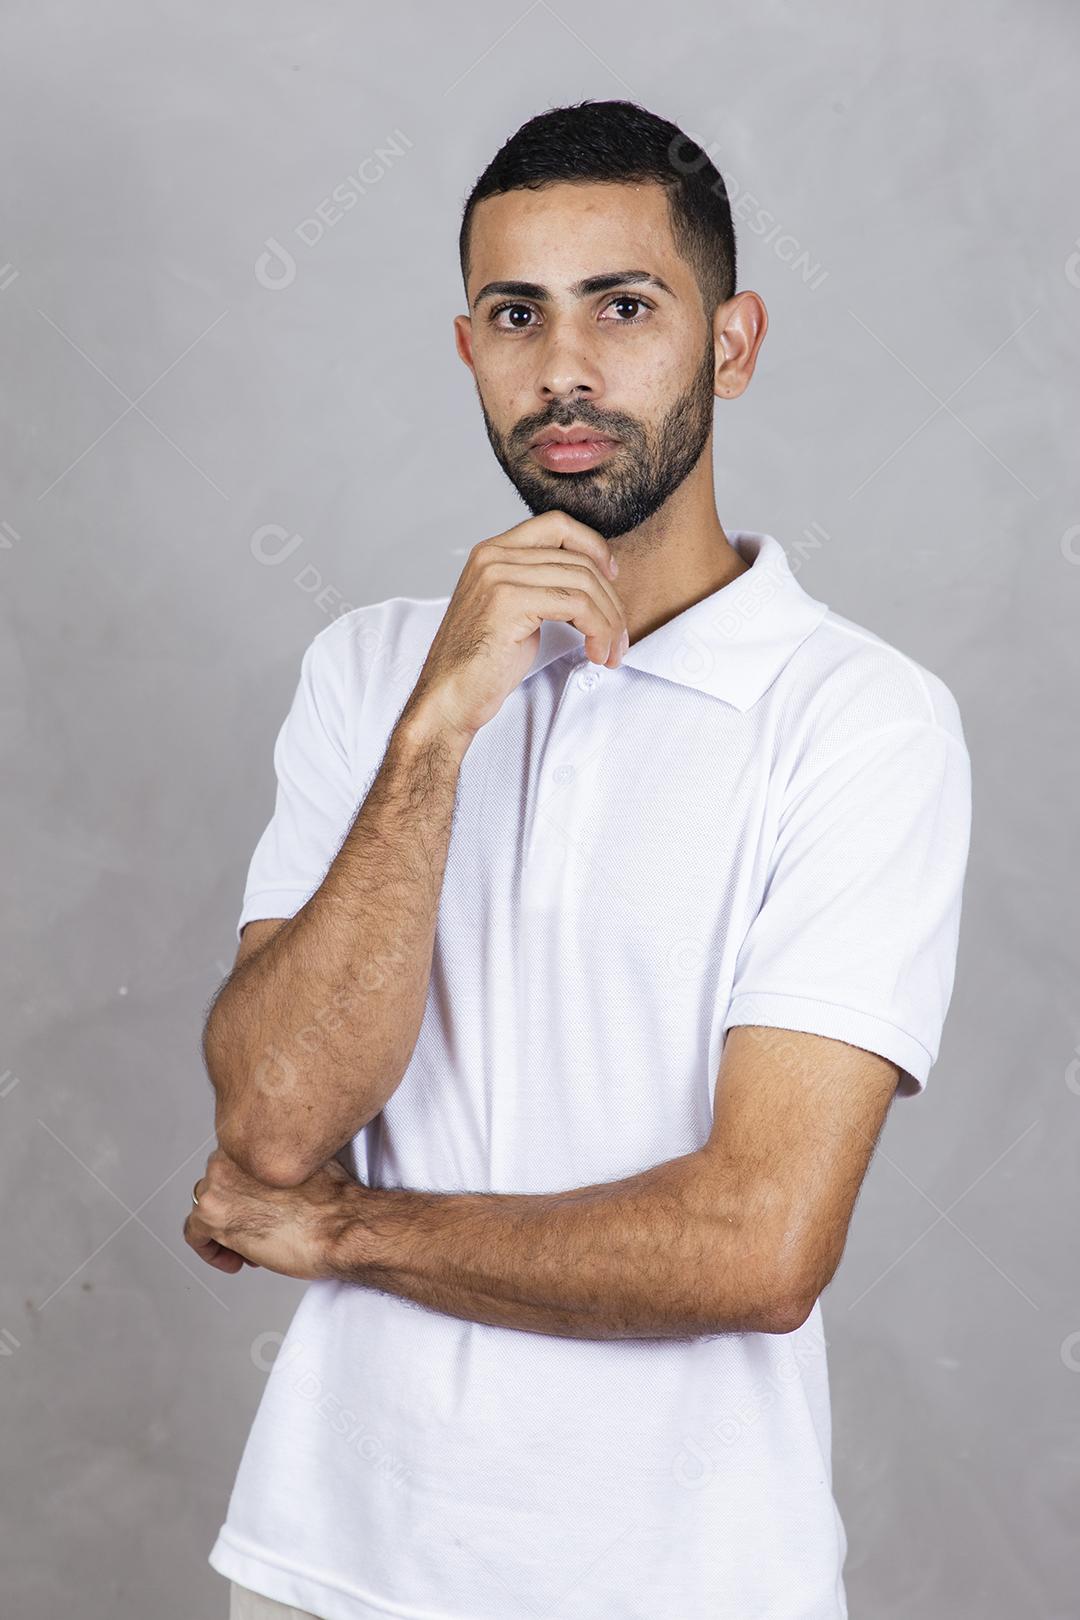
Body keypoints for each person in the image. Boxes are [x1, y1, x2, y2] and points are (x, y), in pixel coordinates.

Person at [187, 98, 973, 1620]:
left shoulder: (863, 722)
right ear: (468, 349)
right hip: (320, 1570)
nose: (565, 367)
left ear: (732, 344)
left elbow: (758, 1244)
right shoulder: (373, 674)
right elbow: (276, 1124)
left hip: (683, 1585)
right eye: (515, 314)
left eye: (625, 306)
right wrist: (436, 734)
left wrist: (344, 1234)